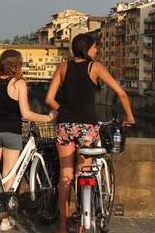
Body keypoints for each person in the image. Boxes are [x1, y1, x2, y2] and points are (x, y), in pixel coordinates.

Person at [45, 33, 135, 233]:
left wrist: (65, 112)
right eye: (94, 47)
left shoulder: (63, 67)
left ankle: (62, 226)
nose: (96, 51)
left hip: (65, 126)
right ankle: (80, 226)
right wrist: (130, 118)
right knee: (84, 173)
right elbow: (121, 93)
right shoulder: (95, 67)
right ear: (87, 49)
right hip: (88, 127)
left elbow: (49, 99)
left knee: (65, 176)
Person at [0, 49, 58, 231]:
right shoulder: (19, 83)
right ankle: (4, 221)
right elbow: (26, 113)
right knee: (7, 179)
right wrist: (49, 118)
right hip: (12, 134)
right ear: (17, 64)